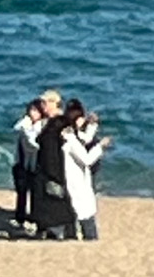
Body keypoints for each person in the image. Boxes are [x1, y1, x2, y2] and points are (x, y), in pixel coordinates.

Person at [60, 96, 109, 241]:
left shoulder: (70, 135)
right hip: (77, 183)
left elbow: (84, 138)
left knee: (78, 213)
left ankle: (76, 237)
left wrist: (92, 125)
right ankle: (89, 239)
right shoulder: (70, 139)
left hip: (76, 182)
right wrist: (100, 146)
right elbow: (86, 159)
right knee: (85, 215)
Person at [29, 104, 74, 240]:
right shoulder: (52, 139)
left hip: (42, 178)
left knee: (49, 210)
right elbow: (51, 161)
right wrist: (58, 178)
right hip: (51, 178)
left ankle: (47, 232)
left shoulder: (48, 136)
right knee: (60, 211)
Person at [12, 95, 49, 231]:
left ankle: (35, 217)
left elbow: (34, 144)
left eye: (35, 111)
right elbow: (16, 128)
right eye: (30, 110)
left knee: (35, 193)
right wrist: (26, 123)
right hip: (22, 163)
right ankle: (20, 217)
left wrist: (28, 131)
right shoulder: (25, 125)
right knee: (21, 191)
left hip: (36, 164)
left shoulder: (42, 126)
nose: (32, 113)